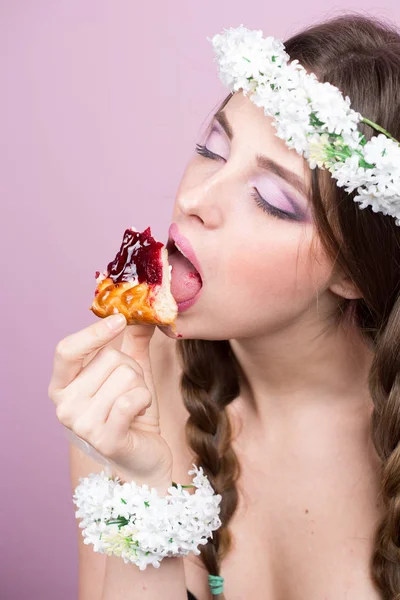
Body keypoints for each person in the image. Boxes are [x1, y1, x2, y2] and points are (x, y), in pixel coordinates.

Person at [47, 13, 400, 600]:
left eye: (272, 200)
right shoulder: (128, 384)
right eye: (211, 149)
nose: (193, 198)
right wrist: (142, 482)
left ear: (353, 272)